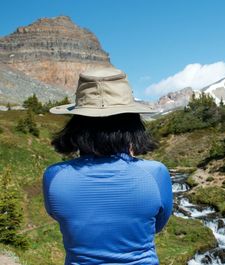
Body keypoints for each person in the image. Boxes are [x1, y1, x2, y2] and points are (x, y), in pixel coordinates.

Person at [42, 67, 173, 265]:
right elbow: (155, 225)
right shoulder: (155, 173)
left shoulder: (54, 176)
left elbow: (61, 217)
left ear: (77, 125)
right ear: (133, 126)